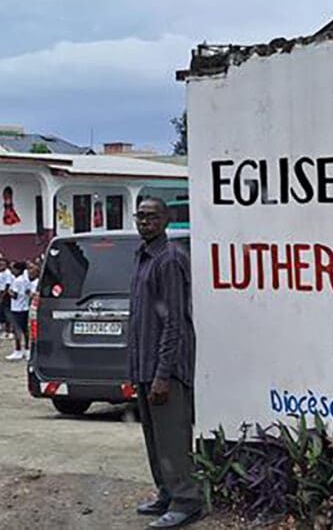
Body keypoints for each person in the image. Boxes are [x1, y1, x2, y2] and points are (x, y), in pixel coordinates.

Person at [129, 198, 202, 528]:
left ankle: (186, 501)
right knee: (155, 437)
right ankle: (166, 493)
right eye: (141, 216)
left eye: (152, 217)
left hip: (166, 369)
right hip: (144, 364)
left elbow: (174, 321)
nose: (145, 222)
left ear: (167, 220)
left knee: (172, 437)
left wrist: (163, 374)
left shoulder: (169, 259)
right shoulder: (143, 256)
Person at [5, 262, 31, 361]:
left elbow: (15, 295)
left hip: (17, 308)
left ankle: (18, 350)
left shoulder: (17, 281)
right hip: (24, 307)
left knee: (17, 330)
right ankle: (27, 349)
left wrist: (9, 292)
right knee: (25, 330)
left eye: (13, 269)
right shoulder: (26, 279)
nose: (12, 271)